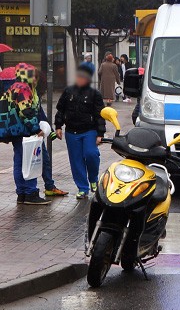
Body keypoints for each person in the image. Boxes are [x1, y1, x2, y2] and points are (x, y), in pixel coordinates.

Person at [55, 62, 106, 199]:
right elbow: (61, 110)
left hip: (89, 130)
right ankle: (83, 188)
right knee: (76, 161)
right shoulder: (68, 91)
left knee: (91, 154)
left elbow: (100, 115)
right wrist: (58, 126)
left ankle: (93, 178)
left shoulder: (95, 94)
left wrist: (100, 134)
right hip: (71, 132)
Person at [4, 63, 50, 204]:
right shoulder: (23, 88)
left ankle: (22, 194)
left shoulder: (14, 87)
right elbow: (26, 112)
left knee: (19, 162)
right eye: (33, 76)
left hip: (16, 131)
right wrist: (36, 129)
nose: (35, 79)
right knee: (29, 161)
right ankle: (30, 193)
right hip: (25, 132)